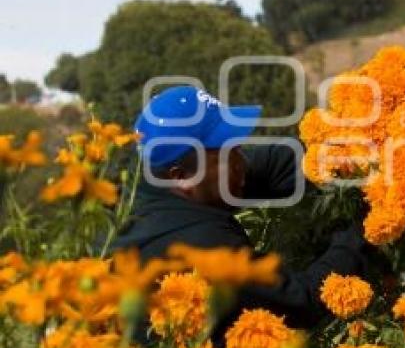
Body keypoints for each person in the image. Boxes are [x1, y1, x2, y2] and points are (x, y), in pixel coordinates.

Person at [108, 85, 376, 335]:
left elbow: (278, 164)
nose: (242, 162)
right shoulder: (200, 245)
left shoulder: (152, 178)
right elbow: (299, 302)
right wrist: (367, 227)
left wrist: (345, 162)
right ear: (182, 176)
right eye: (229, 154)